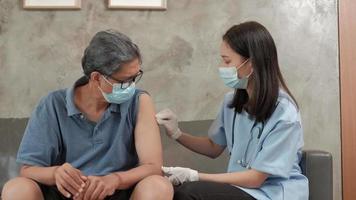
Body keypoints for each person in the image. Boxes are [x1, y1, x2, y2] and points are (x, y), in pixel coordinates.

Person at [2, 30, 173, 200]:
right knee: (16, 188)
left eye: (135, 78)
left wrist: (115, 179)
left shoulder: (139, 101)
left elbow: (153, 166)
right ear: (97, 78)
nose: (131, 86)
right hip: (66, 193)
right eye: (124, 81)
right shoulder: (53, 104)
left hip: (119, 190)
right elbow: (28, 170)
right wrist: (56, 173)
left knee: (158, 185)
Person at [156, 21, 308, 200]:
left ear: (250, 64)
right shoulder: (232, 102)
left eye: (227, 60)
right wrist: (177, 133)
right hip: (241, 189)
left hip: (273, 193)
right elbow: (214, 147)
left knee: (190, 193)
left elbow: (256, 178)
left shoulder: (284, 113)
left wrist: (195, 176)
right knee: (180, 192)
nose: (222, 66)